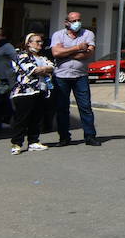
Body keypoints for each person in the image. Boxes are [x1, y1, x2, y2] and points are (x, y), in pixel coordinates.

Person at [49, 11, 99, 147]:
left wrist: (66, 53)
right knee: (62, 108)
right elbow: (56, 52)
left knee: (85, 107)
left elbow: (88, 54)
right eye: (74, 20)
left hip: (80, 76)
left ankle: (90, 136)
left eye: (79, 20)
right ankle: (64, 137)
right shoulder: (58, 35)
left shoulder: (88, 34)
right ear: (67, 22)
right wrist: (78, 48)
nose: (77, 23)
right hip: (61, 76)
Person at [8, 33, 54, 154]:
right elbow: (32, 70)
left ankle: (33, 141)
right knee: (22, 119)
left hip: (40, 90)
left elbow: (52, 66)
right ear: (28, 43)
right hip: (25, 92)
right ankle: (16, 143)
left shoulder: (42, 57)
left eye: (41, 41)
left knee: (36, 118)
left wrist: (43, 69)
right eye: (37, 41)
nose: (40, 44)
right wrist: (44, 69)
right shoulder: (22, 55)